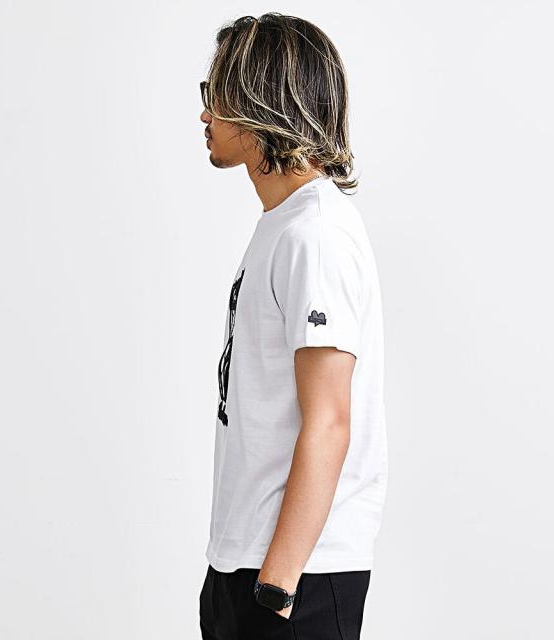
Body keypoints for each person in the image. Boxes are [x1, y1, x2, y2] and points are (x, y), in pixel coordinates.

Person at [198, 13, 387, 640]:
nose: (204, 114)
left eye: (216, 93)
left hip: (296, 577)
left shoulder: (315, 234)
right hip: (245, 562)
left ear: (260, 103)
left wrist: (275, 589)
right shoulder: (284, 224)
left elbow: (330, 421)